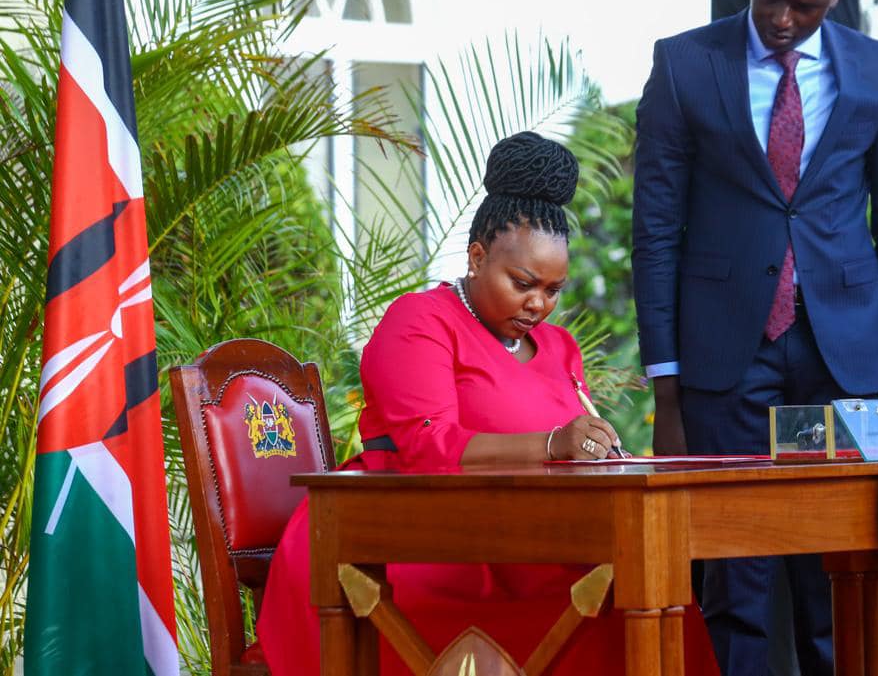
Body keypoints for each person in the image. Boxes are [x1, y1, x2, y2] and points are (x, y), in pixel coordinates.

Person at [257, 132, 715, 675]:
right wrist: (554, 442)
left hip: (521, 536)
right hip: (400, 536)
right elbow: (429, 446)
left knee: (659, 598)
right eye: (523, 282)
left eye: (553, 289)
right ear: (477, 256)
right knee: (598, 607)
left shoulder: (559, 347)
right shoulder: (420, 321)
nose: (538, 304)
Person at [631, 0, 878, 674]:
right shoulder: (684, 65)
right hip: (726, 359)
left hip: (843, 361)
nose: (782, 19)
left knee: (839, 575)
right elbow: (656, 230)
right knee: (736, 580)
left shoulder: (875, 71)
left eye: (805, 5)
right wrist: (666, 388)